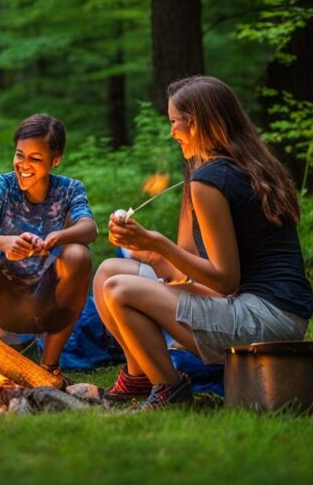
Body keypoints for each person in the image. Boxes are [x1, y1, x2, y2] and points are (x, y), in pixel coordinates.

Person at [96, 76, 312, 409]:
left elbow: (226, 281)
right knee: (109, 270)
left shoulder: (212, 180)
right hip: (256, 304)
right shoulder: (231, 166)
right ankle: (140, 374)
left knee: (119, 290)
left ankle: (170, 389)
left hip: (268, 318)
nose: (171, 133)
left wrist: (159, 242)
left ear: (195, 123)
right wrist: (152, 254)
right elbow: (192, 269)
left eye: (174, 122)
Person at [0, 114, 97, 386]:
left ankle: (49, 367)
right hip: (0, 298)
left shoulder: (69, 189)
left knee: (79, 254)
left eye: (35, 159)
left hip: (45, 300)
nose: (24, 165)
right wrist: (5, 242)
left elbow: (90, 229)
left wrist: (59, 236)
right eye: (20, 155)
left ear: (56, 159)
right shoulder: (2, 186)